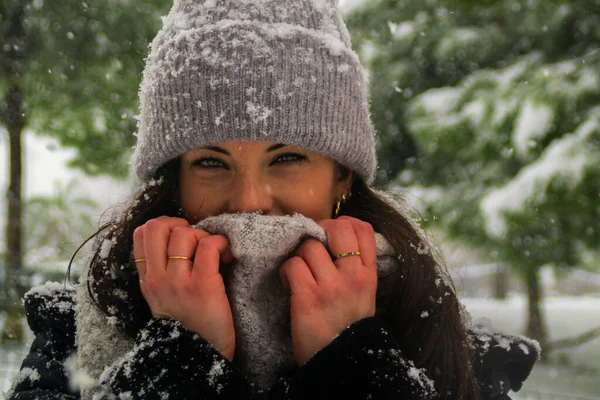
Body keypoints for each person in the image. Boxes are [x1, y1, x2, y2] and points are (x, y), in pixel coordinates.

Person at [7, 0, 539, 399]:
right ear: (174, 184)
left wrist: (352, 356)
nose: (250, 200)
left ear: (342, 179)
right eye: (211, 163)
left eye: (288, 158)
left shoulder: (448, 343)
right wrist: (180, 352)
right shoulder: (77, 332)